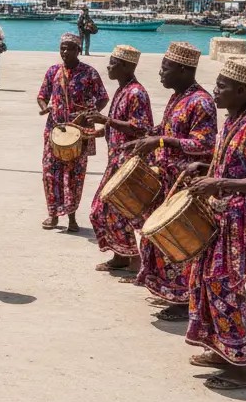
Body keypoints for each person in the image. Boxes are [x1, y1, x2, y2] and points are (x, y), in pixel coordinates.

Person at [183, 56, 246, 390]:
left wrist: (219, 184)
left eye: (223, 87)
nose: (216, 91)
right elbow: (229, 165)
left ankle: (240, 369)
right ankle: (221, 349)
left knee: (225, 287)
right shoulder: (233, 121)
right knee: (206, 281)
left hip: (244, 224)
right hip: (224, 216)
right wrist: (206, 171)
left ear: (242, 90)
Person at [125, 42, 216, 320]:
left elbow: (204, 143)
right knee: (156, 239)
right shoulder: (178, 97)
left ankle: (183, 301)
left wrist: (162, 140)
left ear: (184, 69)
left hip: (185, 187)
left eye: (166, 68)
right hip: (166, 182)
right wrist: (149, 137)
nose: (161, 73)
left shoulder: (200, 101)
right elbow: (168, 129)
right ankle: (171, 293)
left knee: (181, 245)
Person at [83, 45, 153, 273]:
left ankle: (133, 258)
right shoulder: (123, 89)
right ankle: (121, 256)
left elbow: (142, 128)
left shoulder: (136, 93)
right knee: (110, 211)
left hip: (127, 163)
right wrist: (100, 131)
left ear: (125, 66)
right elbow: (121, 122)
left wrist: (106, 121)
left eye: (113, 63)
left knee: (106, 209)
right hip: (115, 159)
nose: (109, 66)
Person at [37, 33, 109, 232]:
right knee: (50, 173)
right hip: (56, 130)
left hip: (80, 132)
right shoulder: (53, 71)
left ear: (78, 50)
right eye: (62, 48)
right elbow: (42, 95)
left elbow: (103, 97)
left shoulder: (89, 73)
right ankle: (52, 215)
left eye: (69, 48)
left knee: (74, 176)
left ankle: (72, 218)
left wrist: (91, 114)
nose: (65, 52)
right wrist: (45, 107)